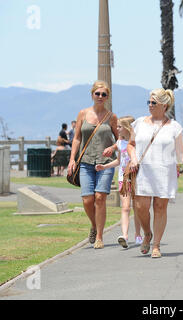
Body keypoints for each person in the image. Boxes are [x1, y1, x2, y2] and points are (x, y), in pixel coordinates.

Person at [127, 88, 183, 258]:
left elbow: (180, 151)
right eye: (149, 102)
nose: (150, 105)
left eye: (154, 103)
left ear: (164, 106)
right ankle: (147, 233)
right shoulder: (139, 123)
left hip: (164, 171)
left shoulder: (175, 127)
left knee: (160, 207)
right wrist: (133, 158)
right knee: (140, 207)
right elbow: (130, 144)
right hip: (143, 170)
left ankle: (156, 245)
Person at [67, 80, 118, 249]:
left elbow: (121, 140)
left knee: (100, 198)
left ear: (107, 97)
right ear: (92, 95)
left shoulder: (111, 117)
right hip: (86, 162)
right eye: (98, 94)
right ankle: (94, 226)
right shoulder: (83, 114)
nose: (101, 97)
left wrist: (113, 147)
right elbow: (76, 138)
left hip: (105, 163)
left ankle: (100, 237)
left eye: (104, 94)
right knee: (87, 199)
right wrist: (72, 159)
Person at [95, 116, 143, 248]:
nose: (117, 129)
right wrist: (104, 167)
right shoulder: (120, 142)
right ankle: (125, 236)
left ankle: (138, 234)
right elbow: (118, 161)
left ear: (127, 128)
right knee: (125, 207)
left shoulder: (136, 143)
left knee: (138, 208)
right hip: (123, 179)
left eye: (119, 127)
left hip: (137, 178)